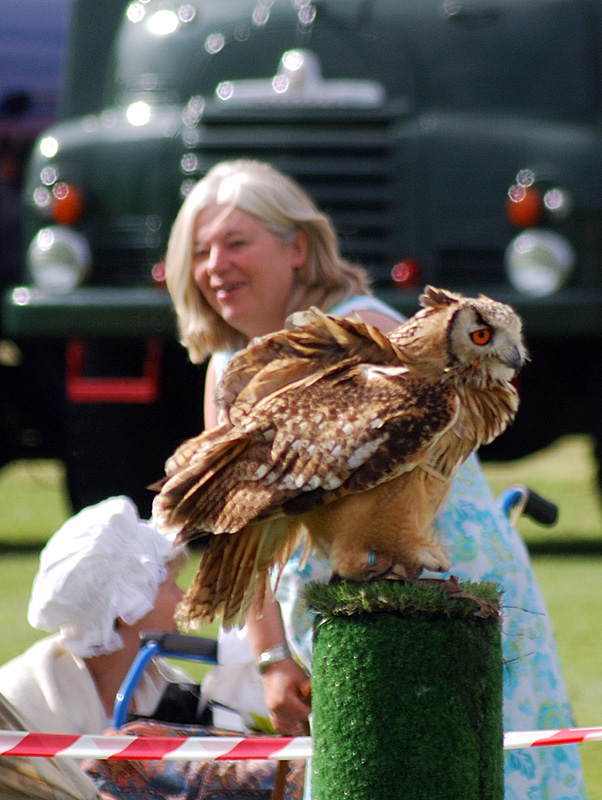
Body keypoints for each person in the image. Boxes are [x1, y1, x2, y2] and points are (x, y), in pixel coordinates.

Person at [164, 158, 588, 798]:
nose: (215, 264)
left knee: (470, 767)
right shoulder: (226, 365)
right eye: (200, 250)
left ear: (297, 247)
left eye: (236, 242)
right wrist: (272, 660)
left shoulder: (372, 331)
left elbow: (413, 471)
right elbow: (242, 525)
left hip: (445, 589)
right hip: (342, 603)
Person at [0, 495, 201, 735]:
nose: (185, 597)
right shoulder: (22, 702)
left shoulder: (172, 687)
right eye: (172, 586)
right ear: (127, 608)